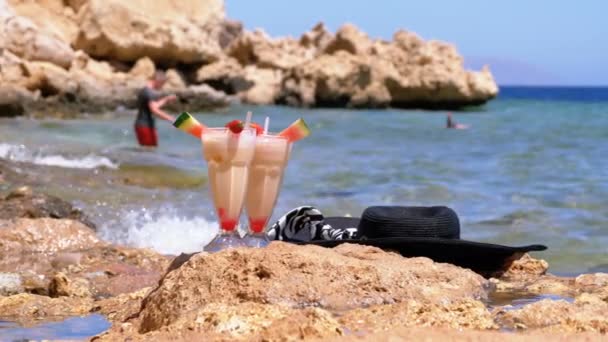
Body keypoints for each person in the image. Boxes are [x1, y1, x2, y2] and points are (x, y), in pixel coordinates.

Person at [134, 71, 177, 147]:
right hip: (144, 125)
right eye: (162, 84)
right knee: (149, 150)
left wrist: (166, 99)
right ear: (158, 81)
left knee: (151, 149)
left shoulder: (145, 90)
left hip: (144, 125)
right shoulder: (150, 92)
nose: (162, 87)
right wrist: (171, 119)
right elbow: (154, 110)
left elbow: (154, 106)